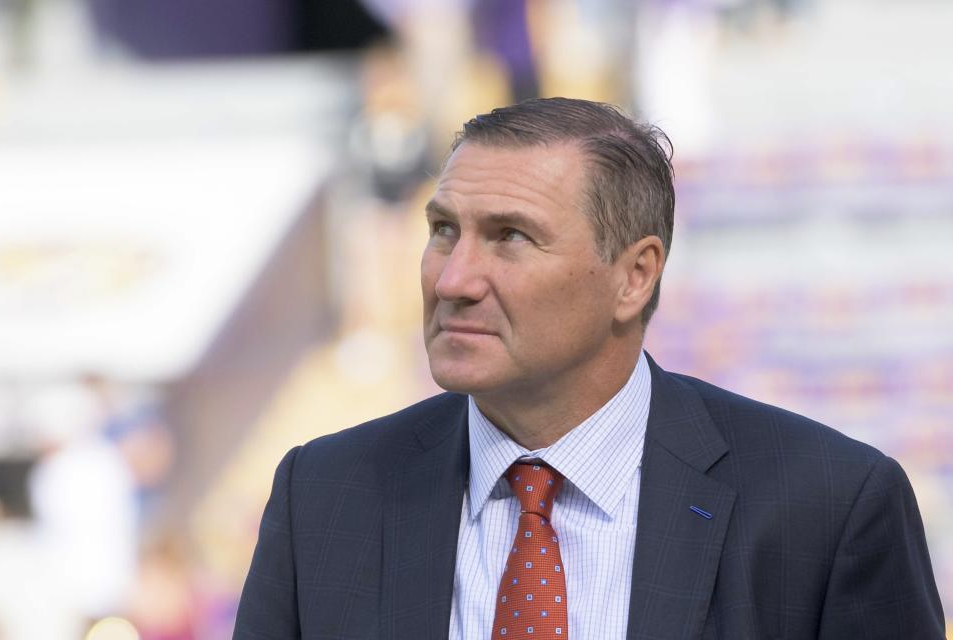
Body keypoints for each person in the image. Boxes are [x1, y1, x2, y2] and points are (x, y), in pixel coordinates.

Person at [233, 98, 945, 639]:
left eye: (509, 237)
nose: (453, 279)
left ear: (634, 277)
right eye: (444, 230)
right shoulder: (323, 498)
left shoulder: (825, 506)